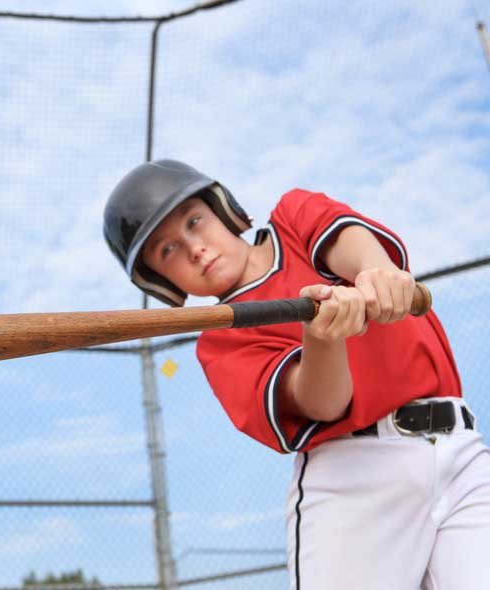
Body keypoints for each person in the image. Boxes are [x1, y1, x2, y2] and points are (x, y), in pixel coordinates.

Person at [103, 159, 490, 589]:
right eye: (167, 250)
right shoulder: (220, 342)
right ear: (161, 279)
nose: (194, 247)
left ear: (223, 209)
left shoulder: (293, 218)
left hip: (461, 450)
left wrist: (377, 274)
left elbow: (355, 247)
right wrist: (322, 339)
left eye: (195, 221)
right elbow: (325, 403)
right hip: (355, 482)